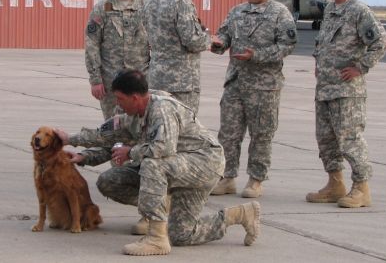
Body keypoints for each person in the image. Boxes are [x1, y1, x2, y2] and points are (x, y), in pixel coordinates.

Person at [56, 70, 260, 256]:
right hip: (177, 168)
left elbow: (163, 149)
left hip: (203, 163)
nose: (118, 104)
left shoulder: (162, 108)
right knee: (182, 235)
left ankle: (156, 238)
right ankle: (240, 214)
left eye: (120, 99)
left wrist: (131, 152)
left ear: (134, 98)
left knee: (152, 165)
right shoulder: (133, 114)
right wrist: (77, 148)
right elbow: (106, 135)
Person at [306, 0, 386, 208]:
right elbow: (324, 43)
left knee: (350, 140)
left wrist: (360, 67)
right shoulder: (332, 9)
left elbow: (381, 42)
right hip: (325, 89)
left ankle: (362, 188)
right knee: (326, 140)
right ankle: (335, 184)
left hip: (347, 91)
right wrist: (319, 63)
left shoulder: (359, 11)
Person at [210, 0, 297, 198]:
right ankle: (227, 177)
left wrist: (257, 55)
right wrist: (217, 43)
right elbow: (224, 36)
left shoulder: (280, 13)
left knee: (261, 135)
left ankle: (256, 180)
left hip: (264, 85)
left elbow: (287, 46)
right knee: (228, 134)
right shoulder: (237, 12)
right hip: (236, 83)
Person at [143, 0, 211, 114]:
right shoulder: (182, 2)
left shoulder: (151, 0)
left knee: (161, 125)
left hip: (157, 79)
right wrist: (207, 37)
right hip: (181, 83)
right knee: (184, 130)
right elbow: (193, 41)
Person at [84, 0, 149, 119]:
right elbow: (92, 45)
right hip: (111, 83)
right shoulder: (102, 8)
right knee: (112, 129)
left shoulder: (147, 7)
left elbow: (159, 43)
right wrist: (95, 80)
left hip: (140, 81)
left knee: (143, 127)